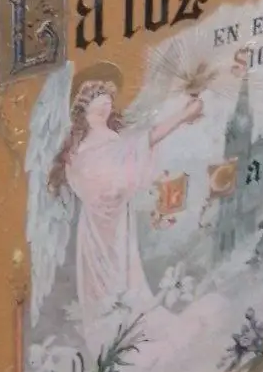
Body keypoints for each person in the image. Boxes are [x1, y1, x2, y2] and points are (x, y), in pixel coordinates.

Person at [48, 74, 203, 352]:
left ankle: (126, 332)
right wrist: (182, 116)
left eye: (107, 102)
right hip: (97, 228)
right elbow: (94, 178)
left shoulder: (113, 140)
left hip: (118, 221)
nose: (105, 106)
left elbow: (138, 152)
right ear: (83, 110)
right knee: (103, 286)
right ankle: (110, 341)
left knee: (125, 278)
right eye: (97, 102)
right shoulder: (80, 147)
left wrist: (182, 115)